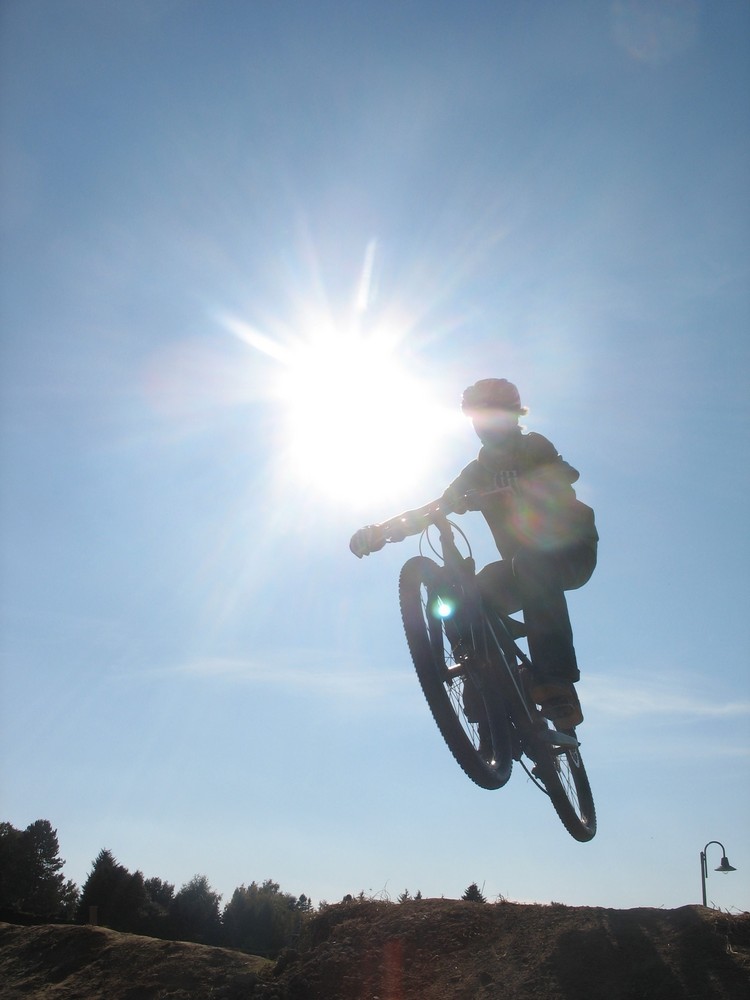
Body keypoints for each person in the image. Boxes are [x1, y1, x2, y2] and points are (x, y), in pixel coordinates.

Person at [349, 378, 598, 728]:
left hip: (569, 552)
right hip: (517, 566)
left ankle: (555, 682)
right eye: (477, 418)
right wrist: (382, 531)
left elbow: (563, 475)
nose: (484, 426)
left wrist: (521, 489)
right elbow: (434, 507)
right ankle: (489, 684)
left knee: (532, 564)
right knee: (467, 598)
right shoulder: (477, 470)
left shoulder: (533, 447)